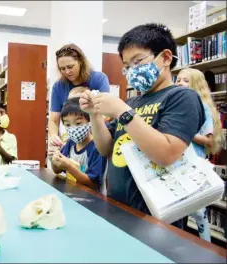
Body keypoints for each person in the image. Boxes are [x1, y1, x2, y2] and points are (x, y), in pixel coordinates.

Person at [79, 23, 205, 228]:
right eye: (127, 66)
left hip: (156, 217)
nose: (131, 71)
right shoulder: (132, 103)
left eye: (138, 62)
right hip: (119, 207)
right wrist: (95, 115)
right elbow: (105, 148)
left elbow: (166, 154)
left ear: (165, 58)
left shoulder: (182, 97)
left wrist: (121, 111)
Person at [176, 68, 223, 241]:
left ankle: (207, 249)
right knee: (178, 210)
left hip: (193, 165)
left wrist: (183, 131)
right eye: (178, 79)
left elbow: (209, 141)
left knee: (198, 213)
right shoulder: (178, 105)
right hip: (177, 163)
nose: (180, 83)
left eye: (185, 80)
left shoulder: (203, 107)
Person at [48, 43, 110, 155]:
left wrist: (87, 128)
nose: (67, 72)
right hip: (72, 142)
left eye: (70, 67)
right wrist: (53, 136)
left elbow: (106, 113)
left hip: (97, 141)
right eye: (62, 69)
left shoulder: (98, 79)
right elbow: (53, 120)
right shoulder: (59, 86)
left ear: (81, 61)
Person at [51, 98, 104, 191]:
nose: (73, 128)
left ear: (90, 121)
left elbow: (93, 185)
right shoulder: (70, 143)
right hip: (72, 193)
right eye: (67, 125)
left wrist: (69, 167)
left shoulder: (96, 148)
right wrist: (54, 159)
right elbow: (57, 170)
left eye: (78, 123)